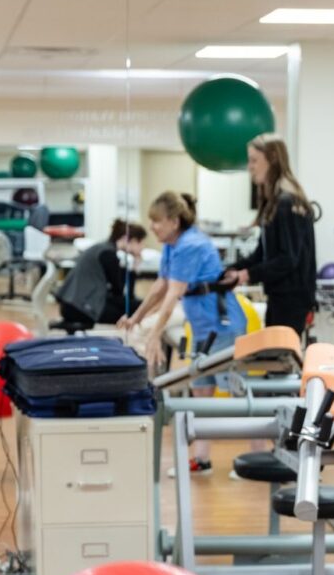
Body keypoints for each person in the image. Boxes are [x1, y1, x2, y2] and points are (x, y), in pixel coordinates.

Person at [119, 191, 246, 474]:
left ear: (174, 221)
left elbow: (173, 295)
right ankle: (202, 460)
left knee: (240, 394)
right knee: (200, 390)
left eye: (157, 221)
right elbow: (160, 286)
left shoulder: (190, 245)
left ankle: (264, 457)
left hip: (223, 326)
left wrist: (155, 334)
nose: (152, 227)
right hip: (203, 328)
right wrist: (136, 318)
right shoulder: (172, 245)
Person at [221, 133, 318, 337]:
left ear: (273, 159)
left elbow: (287, 259)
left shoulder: (287, 202)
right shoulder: (273, 201)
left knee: (280, 359)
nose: (250, 167)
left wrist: (246, 275)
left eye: (255, 160)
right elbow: (262, 253)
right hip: (279, 296)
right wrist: (233, 270)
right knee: (273, 357)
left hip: (292, 299)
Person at [56, 219, 145, 329]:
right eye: (139, 242)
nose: (142, 247)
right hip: (79, 308)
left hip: (71, 305)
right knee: (137, 309)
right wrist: (135, 265)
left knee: (135, 305)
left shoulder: (103, 249)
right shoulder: (108, 255)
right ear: (126, 239)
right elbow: (120, 292)